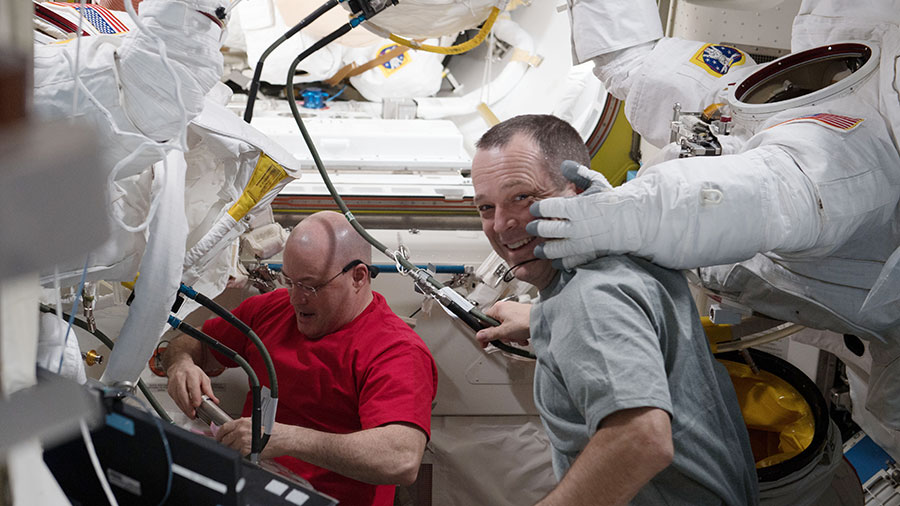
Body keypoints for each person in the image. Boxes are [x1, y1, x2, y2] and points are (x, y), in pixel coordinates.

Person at [525, 0, 900, 433]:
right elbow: (628, 63)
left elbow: (770, 195)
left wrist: (628, 218)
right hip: (807, 94)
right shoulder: (753, 110)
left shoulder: (833, 165)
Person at [471, 114, 758, 506]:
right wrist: (541, 319)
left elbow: (640, 438)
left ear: (574, 188)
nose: (501, 225)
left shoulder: (589, 297)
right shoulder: (621, 254)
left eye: (522, 197)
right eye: (486, 207)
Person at [163, 211, 437, 506]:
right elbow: (192, 343)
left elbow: (401, 459)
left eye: (310, 286)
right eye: (289, 280)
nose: (295, 298)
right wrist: (181, 364)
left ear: (358, 277)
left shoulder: (395, 351)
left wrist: (287, 439)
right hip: (250, 492)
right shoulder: (272, 310)